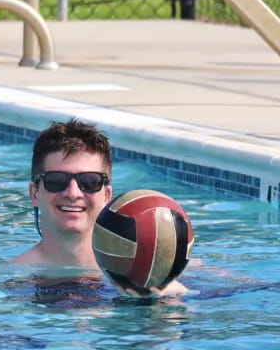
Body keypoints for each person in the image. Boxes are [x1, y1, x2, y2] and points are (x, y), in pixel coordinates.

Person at [11, 117, 186, 297]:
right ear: (34, 193)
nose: (73, 193)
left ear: (106, 196)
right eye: (56, 180)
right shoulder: (17, 280)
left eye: (89, 181)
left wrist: (174, 298)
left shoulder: (161, 266)